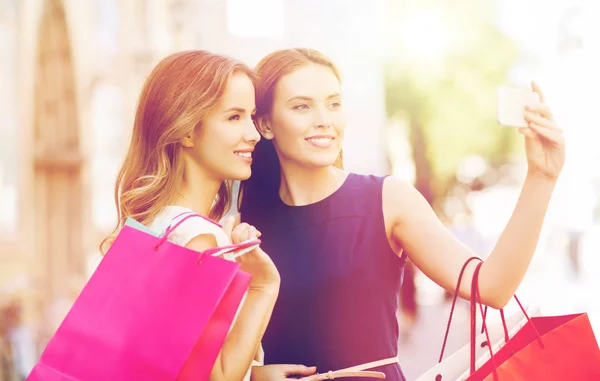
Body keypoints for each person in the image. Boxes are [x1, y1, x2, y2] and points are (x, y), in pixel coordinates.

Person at [239, 48, 564, 381]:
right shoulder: (243, 223)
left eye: (334, 103)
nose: (324, 119)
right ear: (265, 124)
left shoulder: (385, 198)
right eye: (302, 106)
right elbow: (212, 352)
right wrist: (253, 375)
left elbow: (492, 287)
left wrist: (541, 176)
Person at [101, 50, 280, 381]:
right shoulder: (198, 239)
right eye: (234, 117)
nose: (253, 134)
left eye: (252, 116)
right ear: (185, 130)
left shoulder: (151, 226)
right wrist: (264, 286)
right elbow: (217, 377)